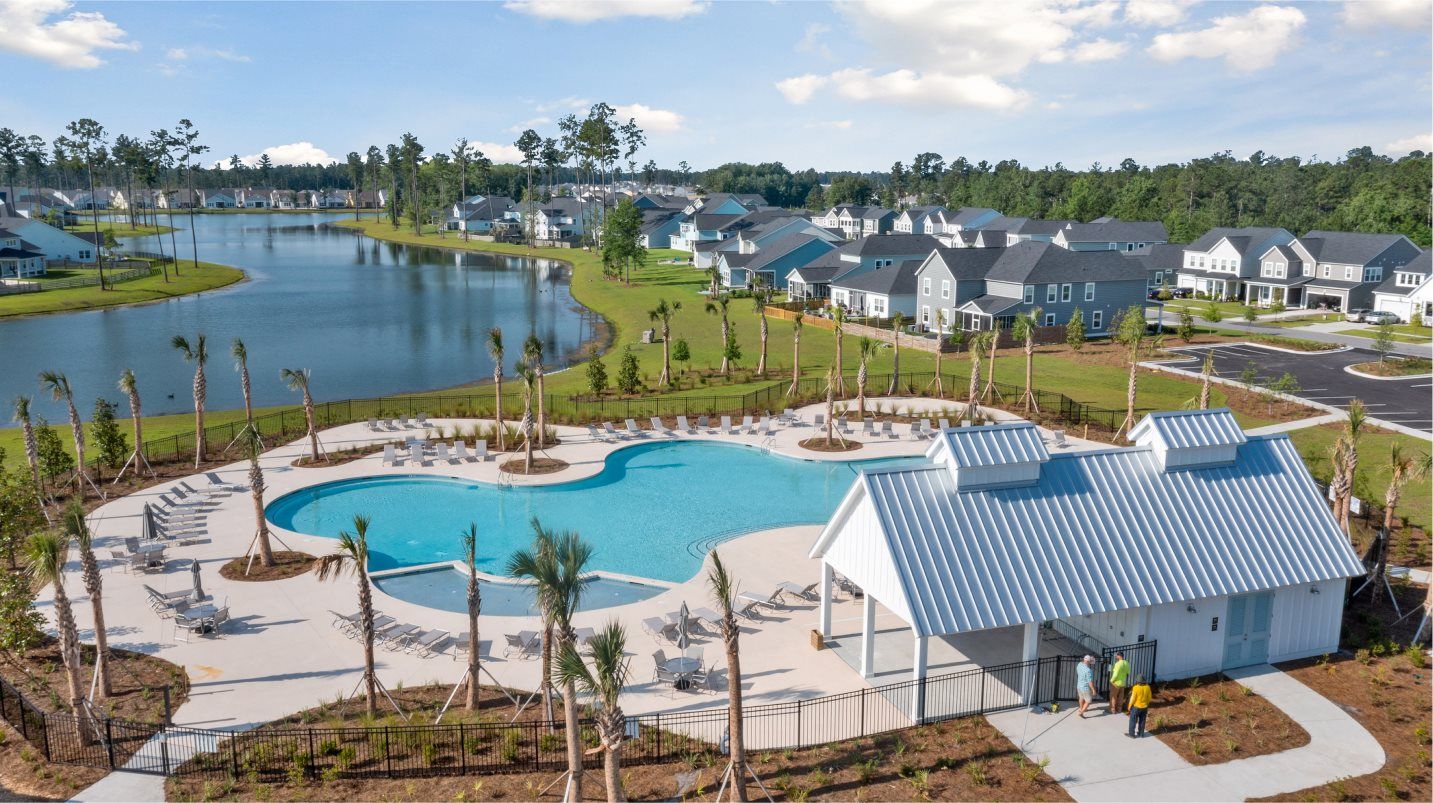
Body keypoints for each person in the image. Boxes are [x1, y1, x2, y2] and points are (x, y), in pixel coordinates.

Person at [1108, 651, 1130, 715]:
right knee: (1120, 697)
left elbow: (1115, 674)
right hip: (1123, 683)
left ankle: (1112, 710)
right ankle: (1119, 709)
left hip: (1116, 683)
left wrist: (1111, 681)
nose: (1116, 657)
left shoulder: (1117, 664)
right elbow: (1128, 673)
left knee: (1113, 697)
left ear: (1119, 656)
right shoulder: (1127, 663)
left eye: (1116, 656)